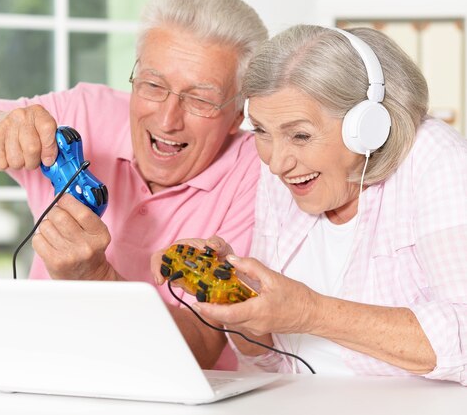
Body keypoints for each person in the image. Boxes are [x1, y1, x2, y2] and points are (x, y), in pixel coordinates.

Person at [0, 0, 268, 370]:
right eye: (153, 85)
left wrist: (95, 277)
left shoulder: (258, 168)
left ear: (237, 114)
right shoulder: (83, 112)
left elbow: (203, 346)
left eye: (200, 99)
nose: (169, 119)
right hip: (45, 374)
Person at [154, 25, 467, 385]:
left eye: (300, 135)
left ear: (369, 128)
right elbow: (271, 365)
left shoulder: (437, 161)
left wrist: (310, 312)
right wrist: (236, 298)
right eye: (261, 131)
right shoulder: (283, 173)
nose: (276, 162)